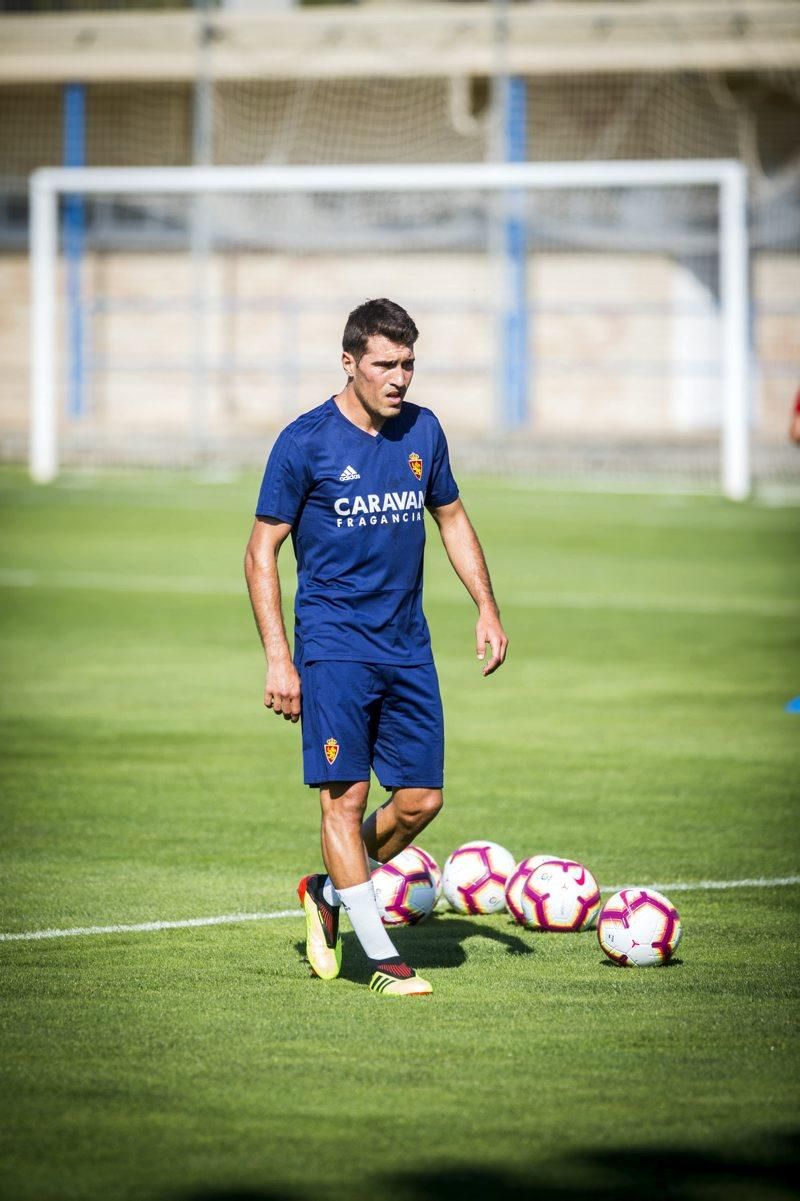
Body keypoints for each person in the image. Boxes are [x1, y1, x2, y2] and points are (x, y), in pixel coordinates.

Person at [244, 298, 508, 998]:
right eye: (386, 364)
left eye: (409, 363)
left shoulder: (424, 430)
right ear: (350, 362)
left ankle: (328, 892)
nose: (400, 378)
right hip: (334, 646)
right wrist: (280, 656)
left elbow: (450, 517)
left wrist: (486, 605)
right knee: (345, 796)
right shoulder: (305, 442)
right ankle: (381, 956)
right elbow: (260, 551)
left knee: (421, 799)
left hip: (407, 645)